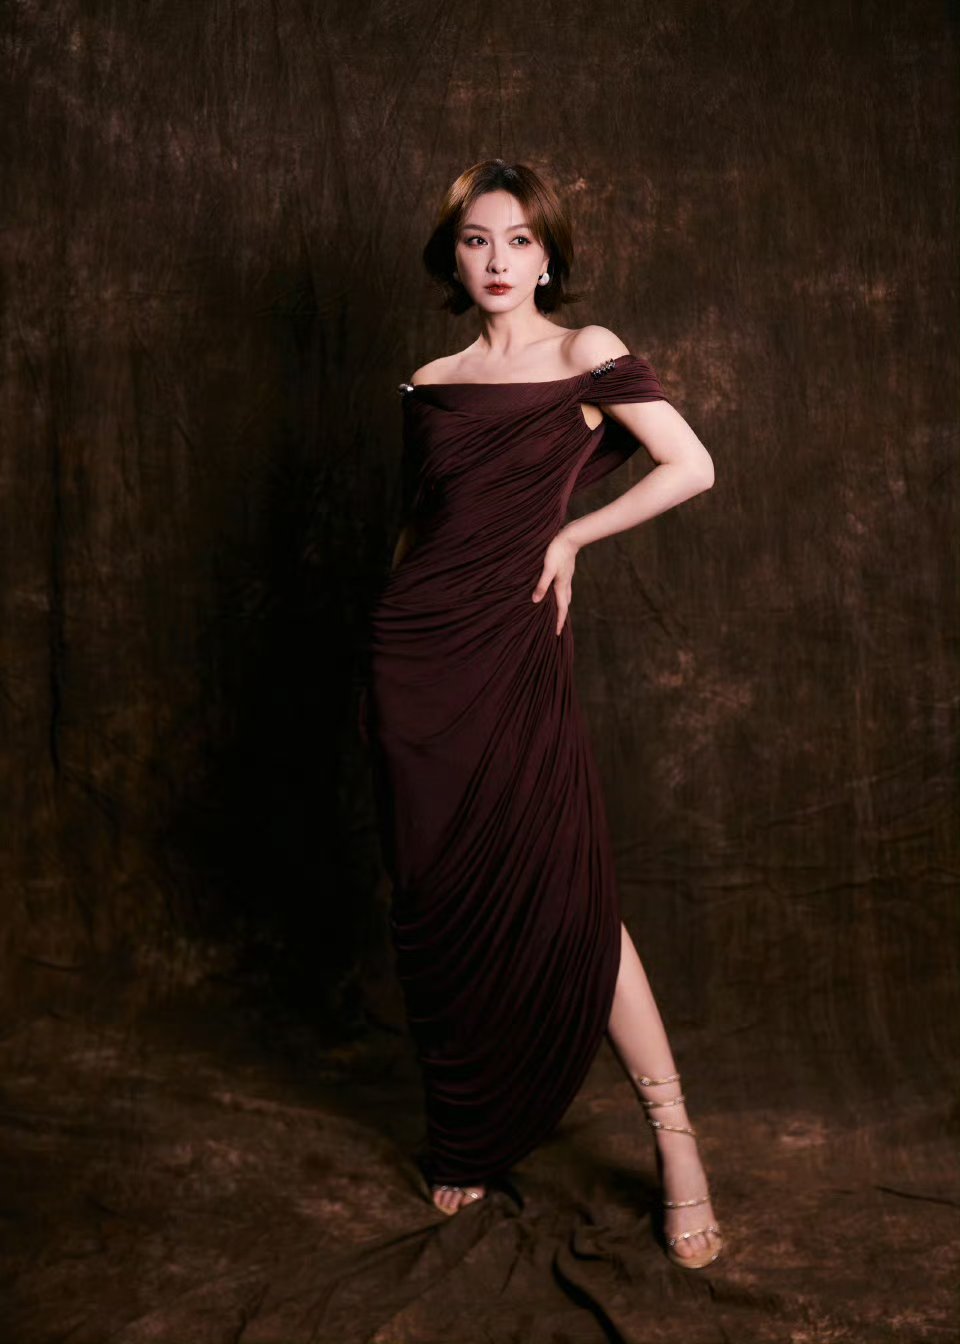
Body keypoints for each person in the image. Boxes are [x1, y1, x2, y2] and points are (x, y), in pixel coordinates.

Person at [361, 159, 722, 1270]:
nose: (499, 260)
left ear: (549, 258)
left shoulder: (585, 353)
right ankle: (468, 1130)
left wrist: (570, 536)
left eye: (520, 240)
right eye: (477, 240)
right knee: (438, 893)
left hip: (514, 650)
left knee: (570, 892)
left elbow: (691, 466)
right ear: (453, 255)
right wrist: (387, 650)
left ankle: (676, 1142)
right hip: (416, 659)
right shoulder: (430, 379)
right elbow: (419, 526)